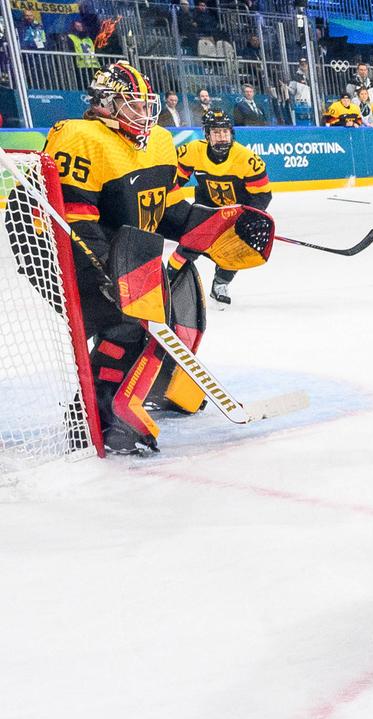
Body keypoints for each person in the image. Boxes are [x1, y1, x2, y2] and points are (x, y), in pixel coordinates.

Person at [43, 62, 268, 453]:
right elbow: (73, 221)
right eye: (132, 105)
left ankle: (156, 388)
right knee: (125, 324)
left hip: (120, 250)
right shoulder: (79, 138)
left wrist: (217, 224)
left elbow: (163, 210)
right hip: (57, 251)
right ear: (104, 105)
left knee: (168, 310)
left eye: (147, 105)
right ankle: (95, 417)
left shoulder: (159, 141)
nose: (144, 114)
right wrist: (104, 273)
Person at [174, 109, 272, 305]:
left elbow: (262, 195)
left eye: (225, 132)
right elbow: (175, 181)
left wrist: (248, 219)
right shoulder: (193, 151)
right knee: (190, 244)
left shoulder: (247, 159)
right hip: (206, 208)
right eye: (216, 133)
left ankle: (221, 282)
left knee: (236, 249)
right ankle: (171, 280)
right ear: (207, 135)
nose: (222, 137)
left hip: (237, 211)